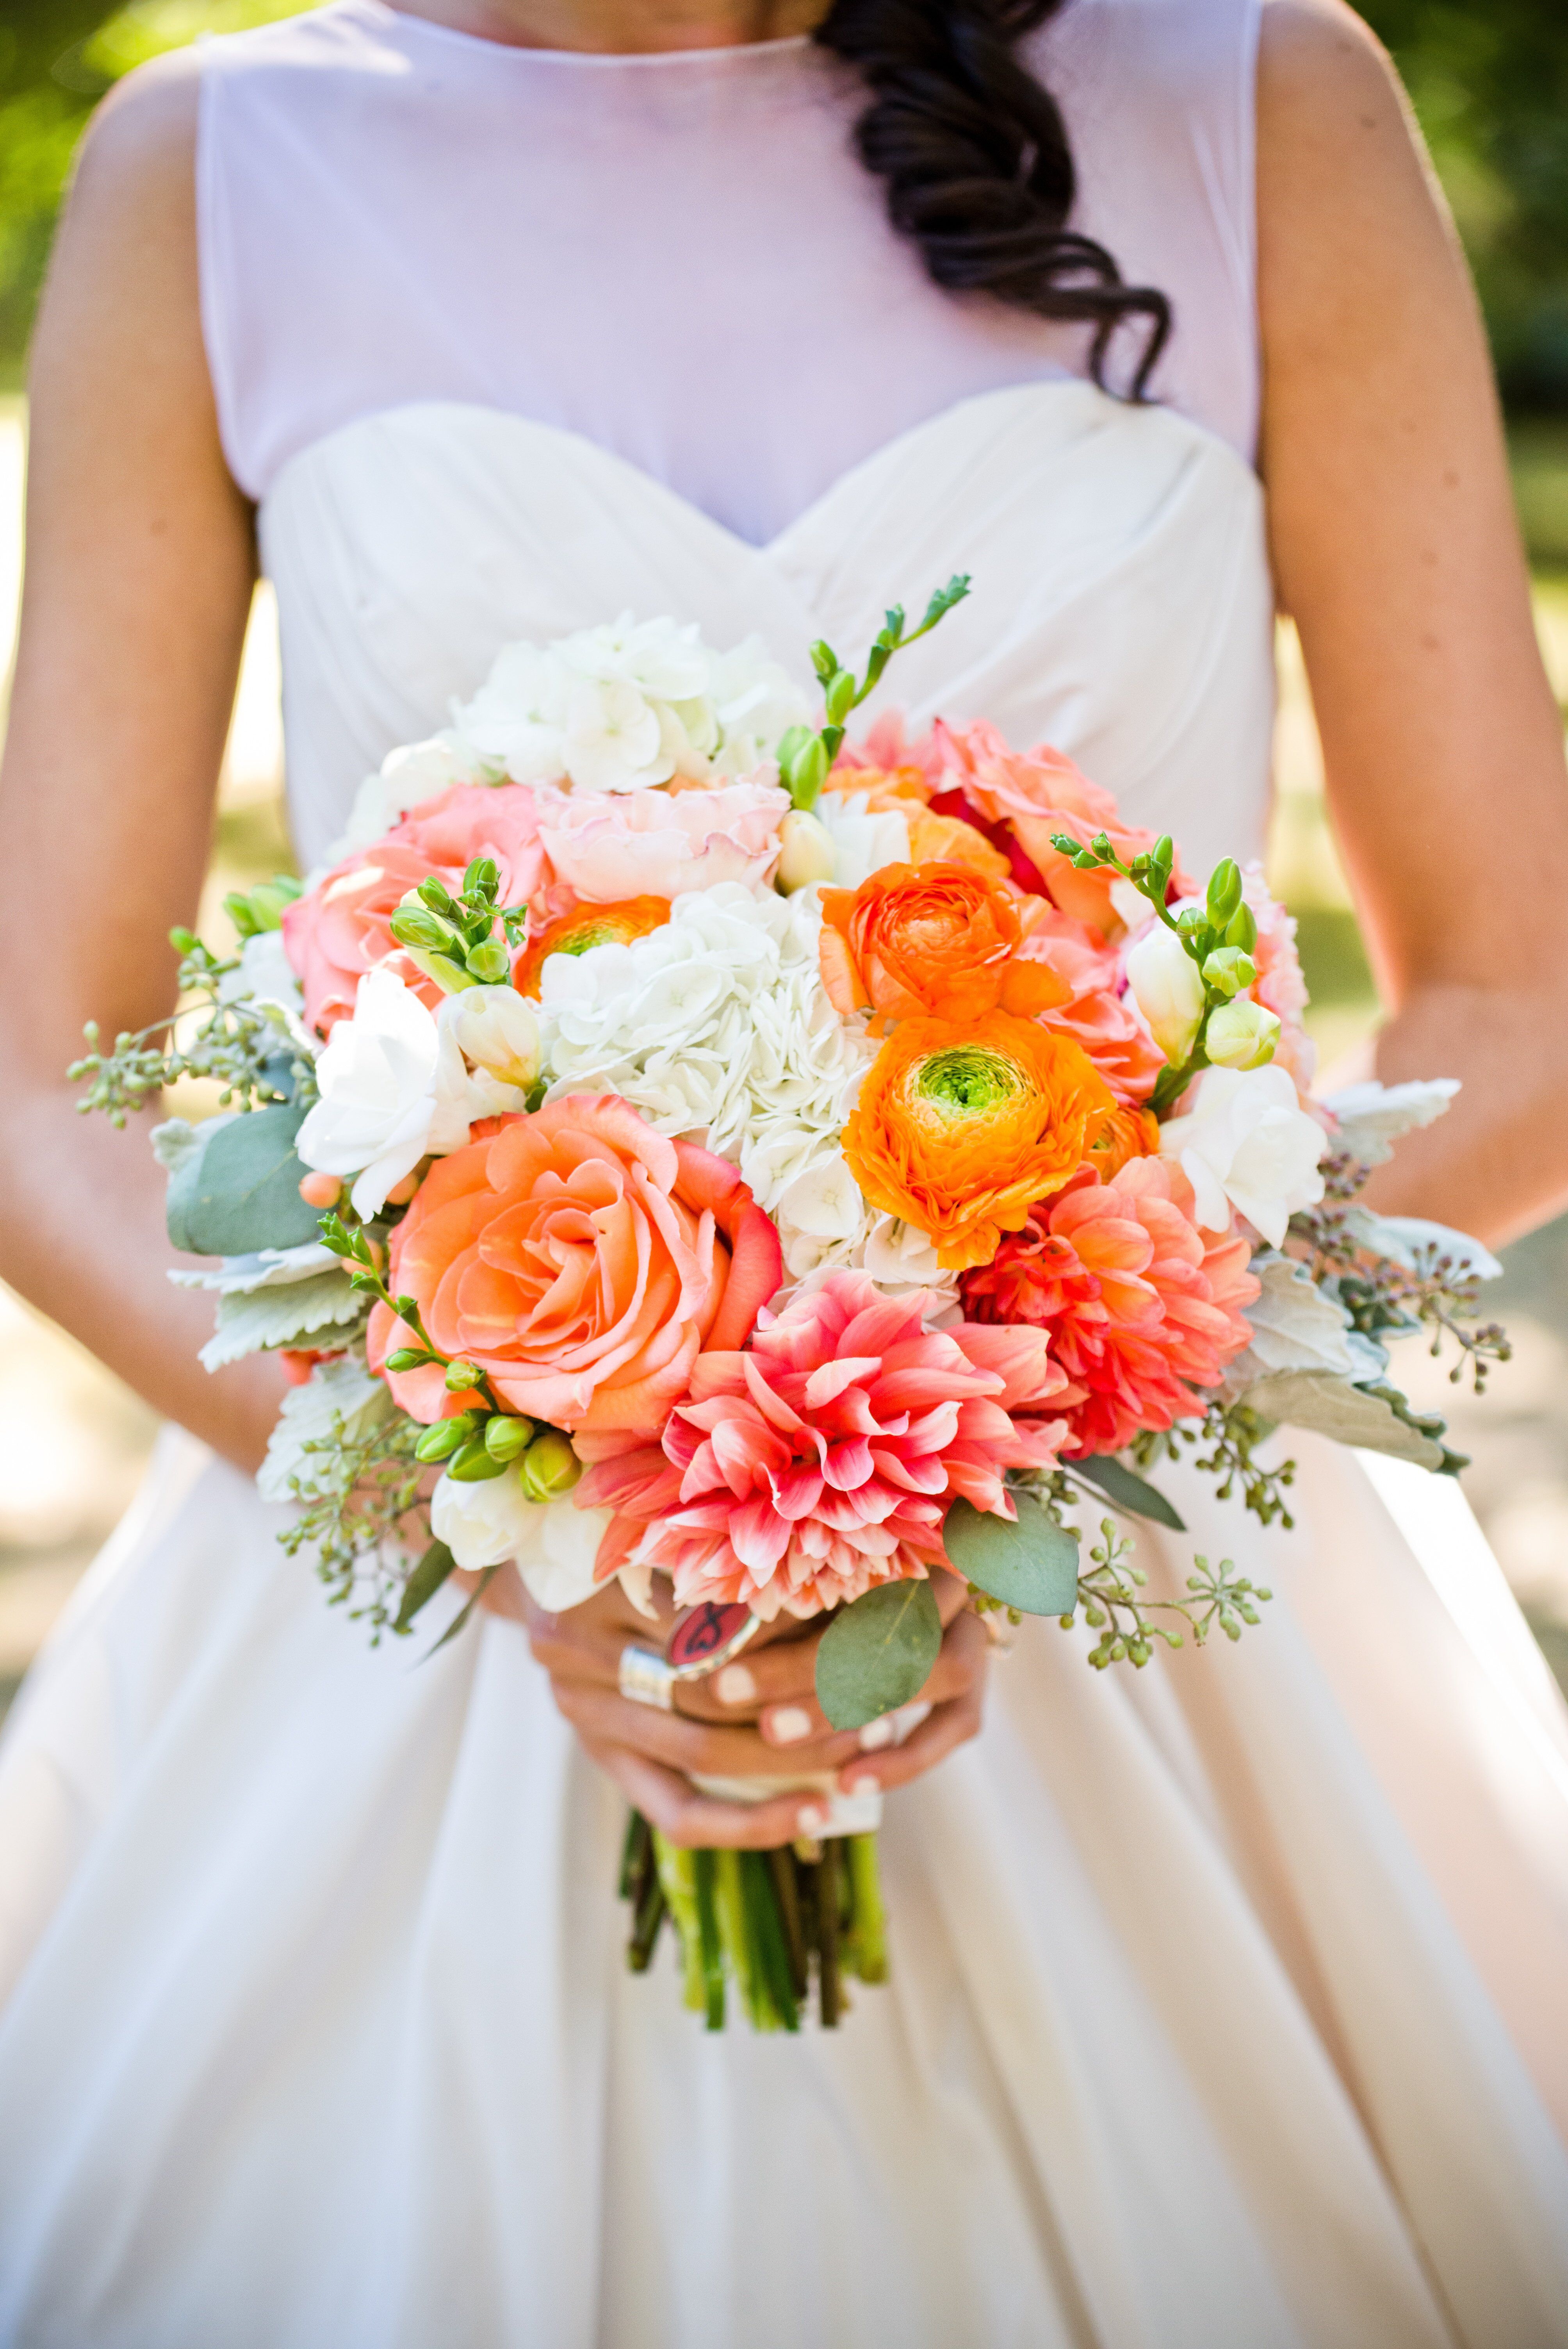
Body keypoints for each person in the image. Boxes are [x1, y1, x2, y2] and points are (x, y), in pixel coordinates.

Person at [1, 0, 1566, 2337]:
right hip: (421, 1625)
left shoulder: (1265, 105)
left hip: (1162, 1637)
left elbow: (1517, 995)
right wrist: (521, 1528)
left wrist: (1046, 1418)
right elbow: (37, 1074)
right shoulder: (220, 165)